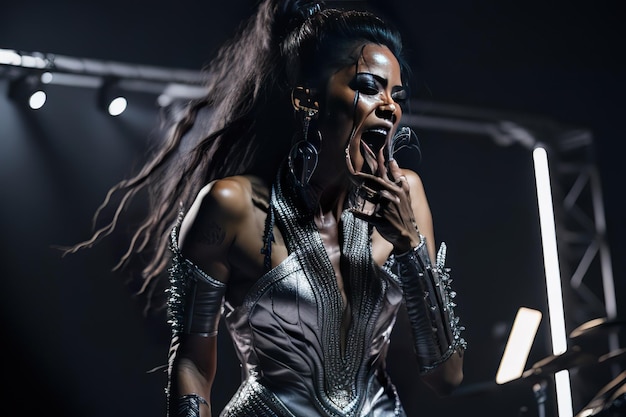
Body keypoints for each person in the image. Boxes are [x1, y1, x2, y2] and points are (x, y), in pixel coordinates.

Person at [68, 0, 466, 415]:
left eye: (395, 93)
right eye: (368, 87)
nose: (389, 105)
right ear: (306, 100)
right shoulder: (231, 206)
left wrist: (411, 247)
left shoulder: (407, 195)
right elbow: (191, 363)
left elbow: (447, 376)